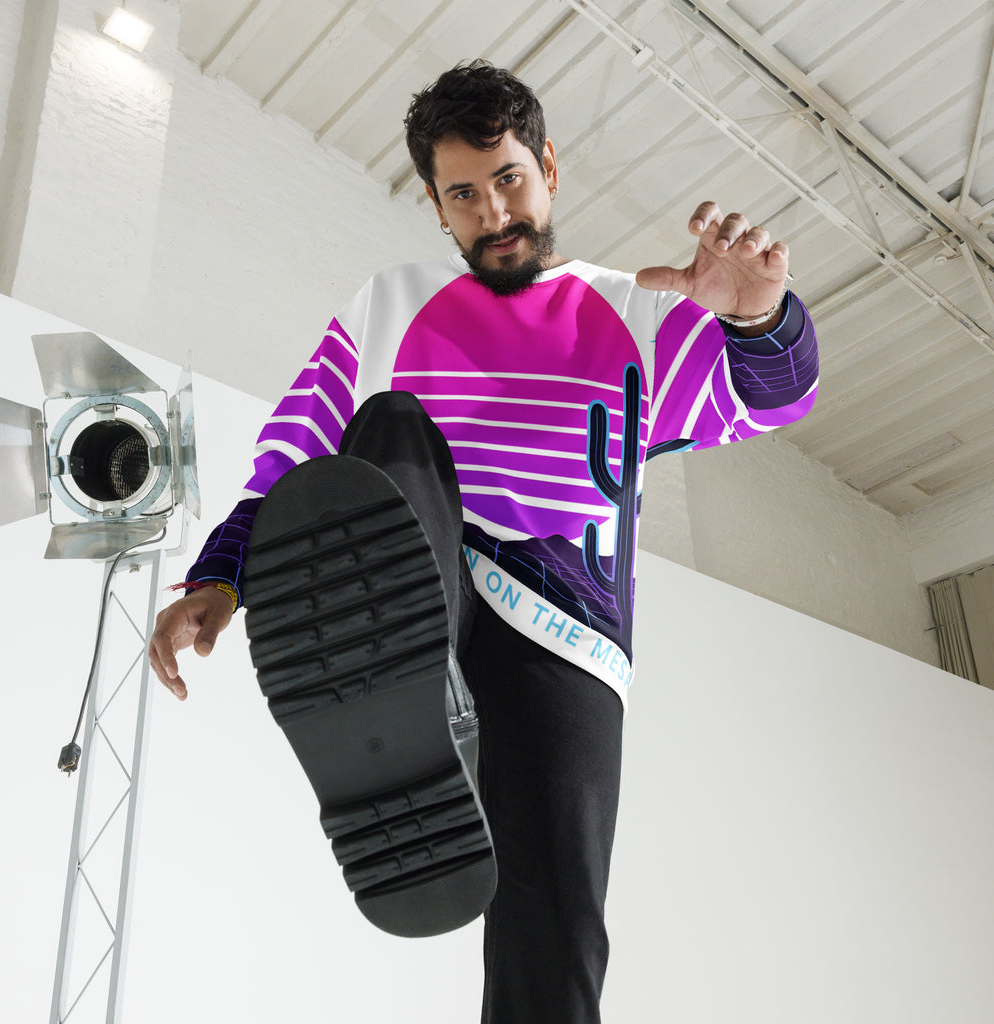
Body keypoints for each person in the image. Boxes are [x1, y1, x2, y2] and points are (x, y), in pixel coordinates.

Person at [149, 59, 818, 1024]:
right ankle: (412, 690)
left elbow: (772, 395)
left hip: (569, 631)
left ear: (548, 166)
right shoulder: (390, 303)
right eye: (463, 194)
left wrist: (756, 311)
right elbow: (294, 458)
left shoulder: (632, 308)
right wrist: (219, 579)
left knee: (555, 925)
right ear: (436, 205)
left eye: (509, 179)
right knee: (383, 428)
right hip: (426, 581)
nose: (493, 211)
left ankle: (444, 717)